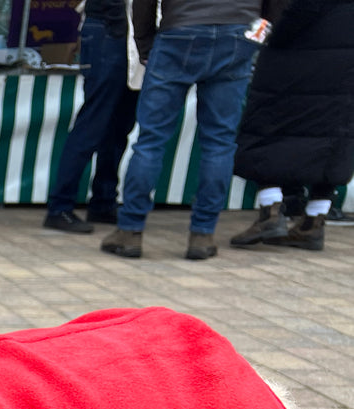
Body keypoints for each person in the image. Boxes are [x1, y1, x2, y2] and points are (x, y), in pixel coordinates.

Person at [101, 0, 276, 260]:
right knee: (220, 141)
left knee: (151, 140)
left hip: (180, 30)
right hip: (238, 30)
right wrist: (260, 27)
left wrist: (145, 42)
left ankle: (130, 230)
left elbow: (143, 3)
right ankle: (203, 234)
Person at [229, 0, 354, 252]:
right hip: (344, 64)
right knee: (333, 137)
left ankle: (271, 211)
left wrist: (270, 36)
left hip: (298, 60)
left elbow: (300, 12)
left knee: (265, 127)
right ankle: (312, 223)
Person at [41, 0, 140, 232]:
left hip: (122, 29)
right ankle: (60, 206)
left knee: (119, 125)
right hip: (109, 27)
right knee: (94, 122)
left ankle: (103, 200)